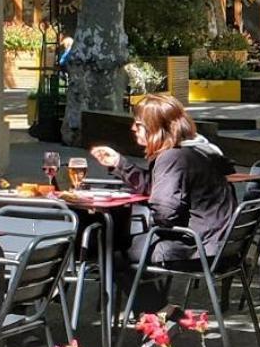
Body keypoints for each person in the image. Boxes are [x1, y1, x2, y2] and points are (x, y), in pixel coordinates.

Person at [90, 93, 237, 265]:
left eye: (138, 124)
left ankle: (133, 291)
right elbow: (157, 188)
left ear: (155, 127)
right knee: (127, 246)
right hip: (221, 246)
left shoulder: (173, 158)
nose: (133, 128)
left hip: (195, 248)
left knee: (108, 250)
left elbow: (165, 213)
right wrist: (118, 162)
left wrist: (149, 212)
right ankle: (140, 290)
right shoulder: (200, 150)